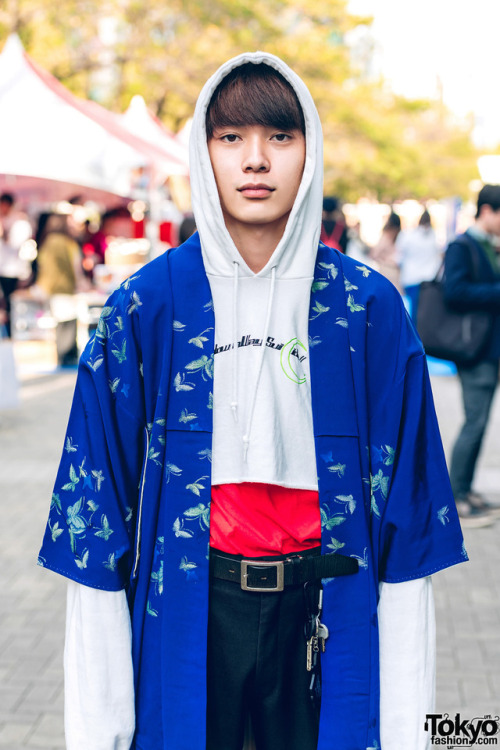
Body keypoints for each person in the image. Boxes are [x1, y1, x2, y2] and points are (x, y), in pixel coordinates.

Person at [38, 53, 466, 750]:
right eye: (230, 137)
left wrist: (412, 729)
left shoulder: (368, 311)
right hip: (191, 610)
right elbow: (95, 531)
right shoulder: (146, 307)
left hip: (324, 610)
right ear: (203, 153)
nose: (256, 160)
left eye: (280, 137)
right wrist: (99, 731)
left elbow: (408, 533)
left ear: (310, 150)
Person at [444, 185, 500, 527]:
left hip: (488, 348)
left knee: (479, 424)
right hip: (473, 351)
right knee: (473, 422)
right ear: (488, 211)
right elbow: (455, 291)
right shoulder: (461, 246)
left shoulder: (487, 246)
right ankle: (456, 495)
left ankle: (465, 489)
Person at [35, 212, 88, 366]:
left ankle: (62, 358)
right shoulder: (67, 243)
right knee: (68, 324)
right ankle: (67, 358)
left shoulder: (48, 241)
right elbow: (76, 267)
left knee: (61, 324)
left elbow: (43, 265)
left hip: (53, 289)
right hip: (66, 288)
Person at [397, 209, 442, 323]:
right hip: (428, 280)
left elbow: (399, 258)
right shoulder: (433, 236)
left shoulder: (408, 235)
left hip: (411, 279)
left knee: (412, 314)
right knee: (425, 315)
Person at [0, 192, 33, 337]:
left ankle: (12, 334)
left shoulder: (19, 222)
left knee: (12, 305)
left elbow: (14, 244)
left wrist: (4, 232)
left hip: (13, 271)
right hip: (4, 269)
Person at [370, 210, 402, 293]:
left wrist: (382, 259)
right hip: (397, 272)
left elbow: (374, 254)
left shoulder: (385, 236)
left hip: (386, 271)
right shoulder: (401, 236)